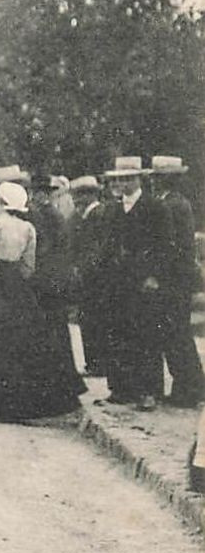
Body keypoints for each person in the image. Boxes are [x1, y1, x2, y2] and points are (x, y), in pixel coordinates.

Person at [0, 181, 80, 420]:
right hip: (17, 285)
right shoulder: (28, 227)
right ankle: (22, 401)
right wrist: (18, 278)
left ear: (0, 202)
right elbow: (29, 264)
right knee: (21, 340)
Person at [103, 156, 177, 412]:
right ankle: (123, 389)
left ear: (140, 179)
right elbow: (108, 244)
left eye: (129, 178)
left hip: (144, 281)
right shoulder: (113, 209)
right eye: (120, 179)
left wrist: (154, 275)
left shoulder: (155, 207)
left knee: (146, 335)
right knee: (120, 332)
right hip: (118, 280)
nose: (124, 183)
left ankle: (149, 391)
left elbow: (165, 246)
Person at [149, 156, 204, 408]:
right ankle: (187, 386)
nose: (155, 181)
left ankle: (191, 388)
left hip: (175, 279)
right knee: (174, 333)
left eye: (158, 177)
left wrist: (160, 274)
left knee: (176, 333)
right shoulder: (172, 202)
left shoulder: (174, 205)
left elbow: (171, 246)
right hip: (177, 277)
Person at [27, 171, 88, 400]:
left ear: (49, 195)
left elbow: (47, 248)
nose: (38, 197)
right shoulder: (48, 214)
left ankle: (63, 387)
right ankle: (63, 384)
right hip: (52, 279)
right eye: (36, 193)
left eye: (43, 193)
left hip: (50, 280)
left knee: (54, 332)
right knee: (54, 331)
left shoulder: (49, 216)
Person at [68, 176, 114, 378]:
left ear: (92, 194)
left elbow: (98, 247)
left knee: (97, 317)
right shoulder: (82, 215)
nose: (77, 199)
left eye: (81, 194)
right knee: (87, 317)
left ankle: (99, 362)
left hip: (97, 275)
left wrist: (85, 267)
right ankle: (93, 361)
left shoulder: (99, 214)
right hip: (86, 274)